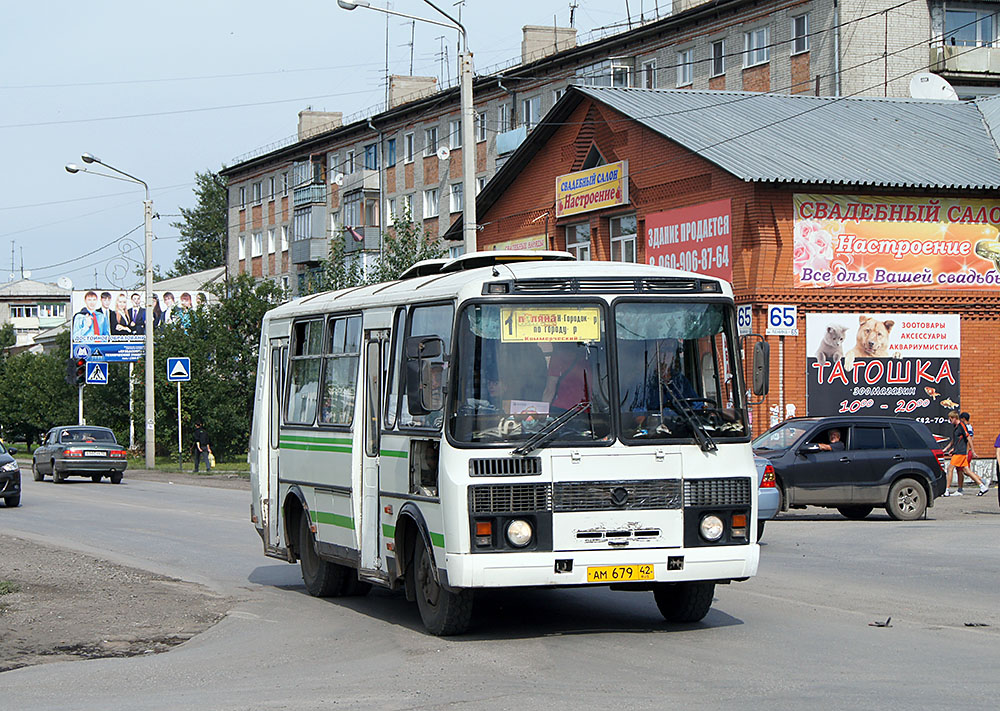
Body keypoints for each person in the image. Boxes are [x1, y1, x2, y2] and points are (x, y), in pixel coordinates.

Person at [942, 410, 987, 496]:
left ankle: (947, 490)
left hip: (960, 452)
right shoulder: (956, 427)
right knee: (966, 470)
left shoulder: (962, 426)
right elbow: (954, 440)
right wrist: (947, 448)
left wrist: (972, 451)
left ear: (955, 418)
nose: (950, 421)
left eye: (950, 419)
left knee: (950, 468)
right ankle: (982, 486)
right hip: (958, 450)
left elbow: (969, 438)